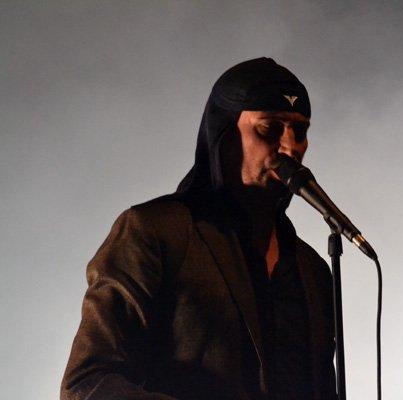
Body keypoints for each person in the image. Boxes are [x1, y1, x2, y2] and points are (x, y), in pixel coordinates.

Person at [60, 58, 336, 400]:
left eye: (300, 131)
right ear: (224, 135)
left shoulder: (312, 270)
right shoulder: (155, 232)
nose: (290, 147)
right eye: (269, 128)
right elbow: (86, 384)